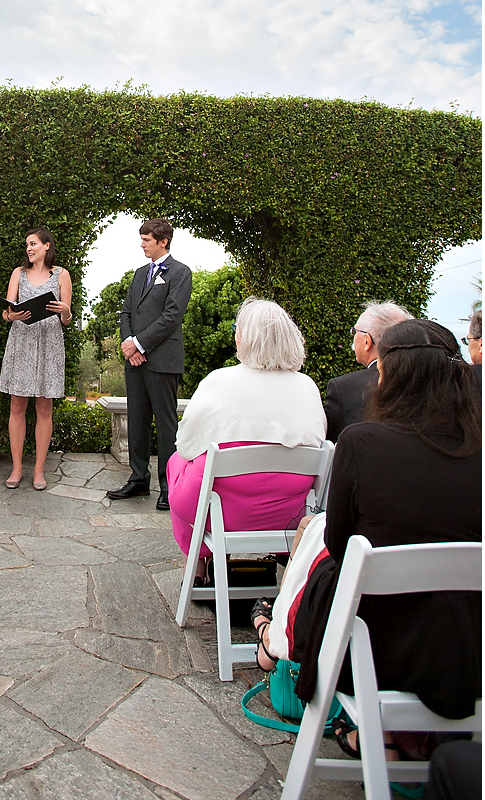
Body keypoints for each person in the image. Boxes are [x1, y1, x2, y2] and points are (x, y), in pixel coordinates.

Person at [252, 318, 481, 744]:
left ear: (392, 374)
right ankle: (399, 740)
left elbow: (339, 546)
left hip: (373, 651)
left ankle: (272, 639)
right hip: (467, 652)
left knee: (322, 556)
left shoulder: (362, 443)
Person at [166, 297, 326, 572]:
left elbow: (186, 444)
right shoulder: (307, 387)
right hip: (289, 515)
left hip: (221, 512)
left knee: (176, 463)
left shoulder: (219, 381)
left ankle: (198, 567)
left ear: (243, 339)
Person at [107, 219, 192, 511]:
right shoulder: (140, 273)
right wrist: (129, 345)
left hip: (163, 361)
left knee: (166, 425)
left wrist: (139, 344)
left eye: (146, 240)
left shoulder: (181, 273)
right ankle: (138, 478)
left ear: (163, 241)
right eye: (141, 239)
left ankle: (169, 486)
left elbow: (172, 316)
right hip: (136, 361)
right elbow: (127, 311)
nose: (142, 244)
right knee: (138, 420)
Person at [0, 228, 73, 491]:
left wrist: (66, 310)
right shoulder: (17, 274)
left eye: (33, 244)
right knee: (17, 407)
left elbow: (67, 319)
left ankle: (39, 470)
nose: (29, 249)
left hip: (50, 343)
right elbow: (7, 312)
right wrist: (12, 316)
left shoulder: (62, 275)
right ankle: (17, 468)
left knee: (44, 408)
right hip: (21, 341)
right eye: (27, 245)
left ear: (46, 246)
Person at [323, 301, 412, 441]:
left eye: (355, 331)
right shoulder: (426, 379)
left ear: (367, 341)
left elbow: (329, 444)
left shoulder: (343, 388)